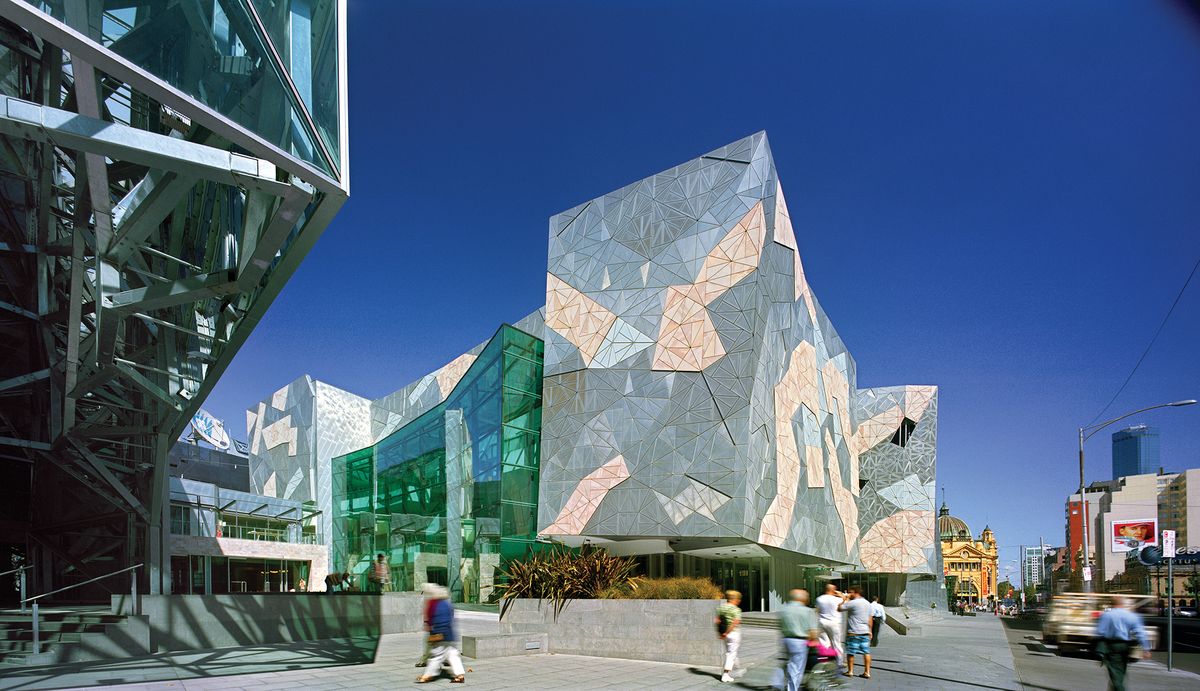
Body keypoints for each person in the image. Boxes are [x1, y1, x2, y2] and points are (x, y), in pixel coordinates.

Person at [1095, 596, 1151, 691]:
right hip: (1125, 646)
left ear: (1112, 604)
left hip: (1111, 646)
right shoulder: (1131, 616)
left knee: (1115, 673)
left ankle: (1119, 688)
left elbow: (1100, 632)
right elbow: (1140, 633)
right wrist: (1146, 649)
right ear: (1123, 604)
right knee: (1120, 671)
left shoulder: (1106, 615)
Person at [417, 585, 466, 684]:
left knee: (437, 656)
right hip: (449, 634)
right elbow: (450, 618)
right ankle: (460, 675)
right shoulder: (447, 604)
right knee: (452, 655)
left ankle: (427, 676)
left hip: (441, 634)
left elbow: (439, 621)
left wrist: (436, 633)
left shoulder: (437, 605)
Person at [778, 588, 819, 691]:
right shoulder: (807, 611)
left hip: (786, 640)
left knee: (790, 664)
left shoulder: (784, 609)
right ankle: (792, 689)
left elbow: (781, 626)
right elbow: (812, 630)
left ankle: (788, 685)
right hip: (800, 641)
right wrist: (814, 641)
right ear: (803, 599)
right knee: (797, 668)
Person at [839, 586, 873, 679]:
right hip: (865, 631)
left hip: (853, 632)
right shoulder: (867, 603)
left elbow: (839, 608)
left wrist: (844, 599)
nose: (849, 594)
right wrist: (870, 631)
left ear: (856, 592)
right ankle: (867, 672)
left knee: (850, 652)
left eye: (850, 592)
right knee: (866, 652)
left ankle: (850, 671)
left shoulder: (852, 603)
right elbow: (870, 619)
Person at [814, 584, 845, 669]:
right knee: (836, 643)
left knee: (824, 642)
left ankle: (825, 659)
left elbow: (817, 610)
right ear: (834, 590)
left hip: (822, 622)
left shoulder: (819, 599)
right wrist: (840, 594)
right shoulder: (838, 599)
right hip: (835, 623)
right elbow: (845, 601)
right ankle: (839, 662)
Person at [715, 589, 743, 683]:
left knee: (730, 652)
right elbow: (735, 622)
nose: (739, 601)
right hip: (733, 633)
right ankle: (726, 674)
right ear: (735, 599)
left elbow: (717, 621)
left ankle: (737, 668)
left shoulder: (722, 608)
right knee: (731, 654)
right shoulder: (736, 609)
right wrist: (727, 632)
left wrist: (722, 634)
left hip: (725, 635)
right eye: (738, 599)